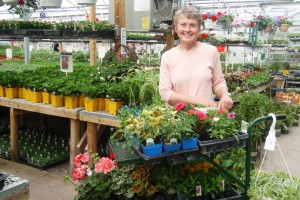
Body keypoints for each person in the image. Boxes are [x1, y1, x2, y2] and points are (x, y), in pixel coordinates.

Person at [159, 6, 233, 110]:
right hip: (178, 119)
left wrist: (225, 95)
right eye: (183, 25)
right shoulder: (168, 56)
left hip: (206, 115)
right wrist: (198, 101)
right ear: (175, 28)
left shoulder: (211, 52)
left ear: (199, 29)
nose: (187, 30)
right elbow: (165, 93)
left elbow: (218, 83)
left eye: (192, 25)